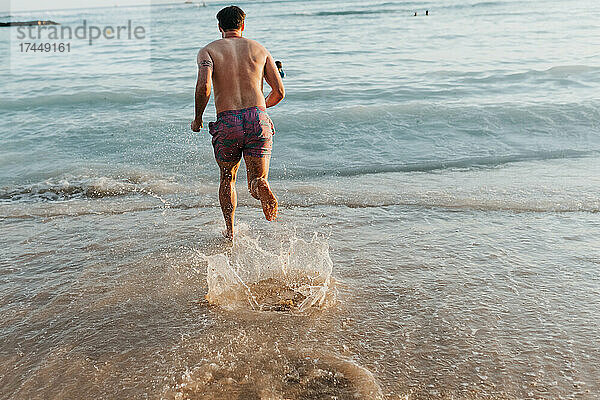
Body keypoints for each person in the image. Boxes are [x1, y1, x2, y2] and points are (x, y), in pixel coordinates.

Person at [191, 5, 285, 239]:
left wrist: (198, 118)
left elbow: (204, 87)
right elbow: (279, 91)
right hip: (257, 118)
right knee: (257, 179)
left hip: (228, 122)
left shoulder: (208, 51)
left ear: (219, 27)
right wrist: (260, 108)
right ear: (243, 25)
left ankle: (230, 231)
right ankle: (261, 186)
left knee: (227, 177)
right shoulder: (259, 49)